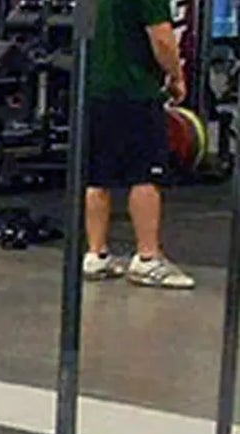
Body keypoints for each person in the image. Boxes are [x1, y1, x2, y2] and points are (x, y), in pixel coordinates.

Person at [83, 0, 195, 288]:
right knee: (146, 175)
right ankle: (147, 258)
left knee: (98, 176)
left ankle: (96, 254)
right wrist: (177, 76)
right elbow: (162, 38)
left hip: (97, 88)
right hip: (137, 90)